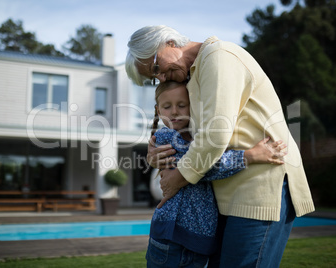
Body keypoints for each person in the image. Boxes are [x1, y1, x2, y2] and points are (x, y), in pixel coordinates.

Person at [126, 25, 315, 267]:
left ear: (169, 42)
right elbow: (192, 139)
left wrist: (178, 177)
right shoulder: (193, 76)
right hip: (227, 192)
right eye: (154, 78)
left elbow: (215, 134)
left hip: (259, 184)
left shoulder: (219, 57)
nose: (161, 77)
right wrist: (159, 156)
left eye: (155, 67)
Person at [147, 80, 286, 267]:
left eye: (182, 105)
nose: (174, 112)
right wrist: (251, 155)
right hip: (174, 240)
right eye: (166, 106)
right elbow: (204, 167)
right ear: (158, 111)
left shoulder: (196, 136)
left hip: (194, 240)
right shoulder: (168, 138)